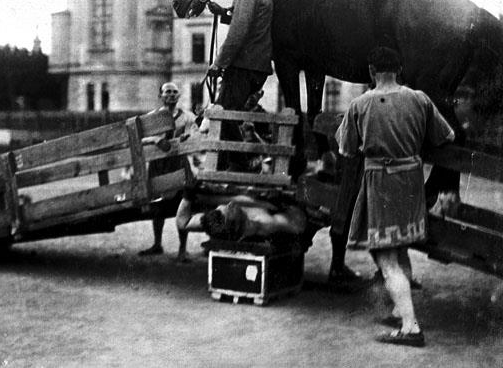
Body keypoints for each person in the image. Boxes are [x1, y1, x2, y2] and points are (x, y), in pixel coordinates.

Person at [335, 46, 455, 347]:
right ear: (399, 71)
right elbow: (446, 136)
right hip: (412, 180)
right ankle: (400, 310)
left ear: (371, 71)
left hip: (381, 182)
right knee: (400, 247)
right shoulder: (419, 98)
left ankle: (410, 327)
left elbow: (346, 148)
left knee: (386, 257)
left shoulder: (360, 104)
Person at [206, 0, 273, 171]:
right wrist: (224, 13)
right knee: (227, 113)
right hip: (256, 66)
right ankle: (229, 166)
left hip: (243, 66)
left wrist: (218, 63)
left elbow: (237, 34)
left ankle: (242, 166)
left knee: (223, 114)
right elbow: (249, 23)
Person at [138, 82, 198, 261]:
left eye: (174, 92)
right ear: (160, 96)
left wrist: (187, 137)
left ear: (179, 96)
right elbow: (140, 139)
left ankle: (182, 249)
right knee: (157, 206)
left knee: (183, 204)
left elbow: (194, 135)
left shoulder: (187, 117)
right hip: (159, 165)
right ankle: (157, 244)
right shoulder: (152, 117)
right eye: (167, 92)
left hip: (179, 164)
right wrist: (155, 139)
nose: (171, 95)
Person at [176, 192, 306, 242]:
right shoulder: (262, 223)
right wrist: (288, 204)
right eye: (230, 208)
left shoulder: (217, 219)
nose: (230, 204)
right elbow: (299, 226)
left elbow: (183, 223)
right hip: (280, 209)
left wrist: (187, 196)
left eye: (226, 205)